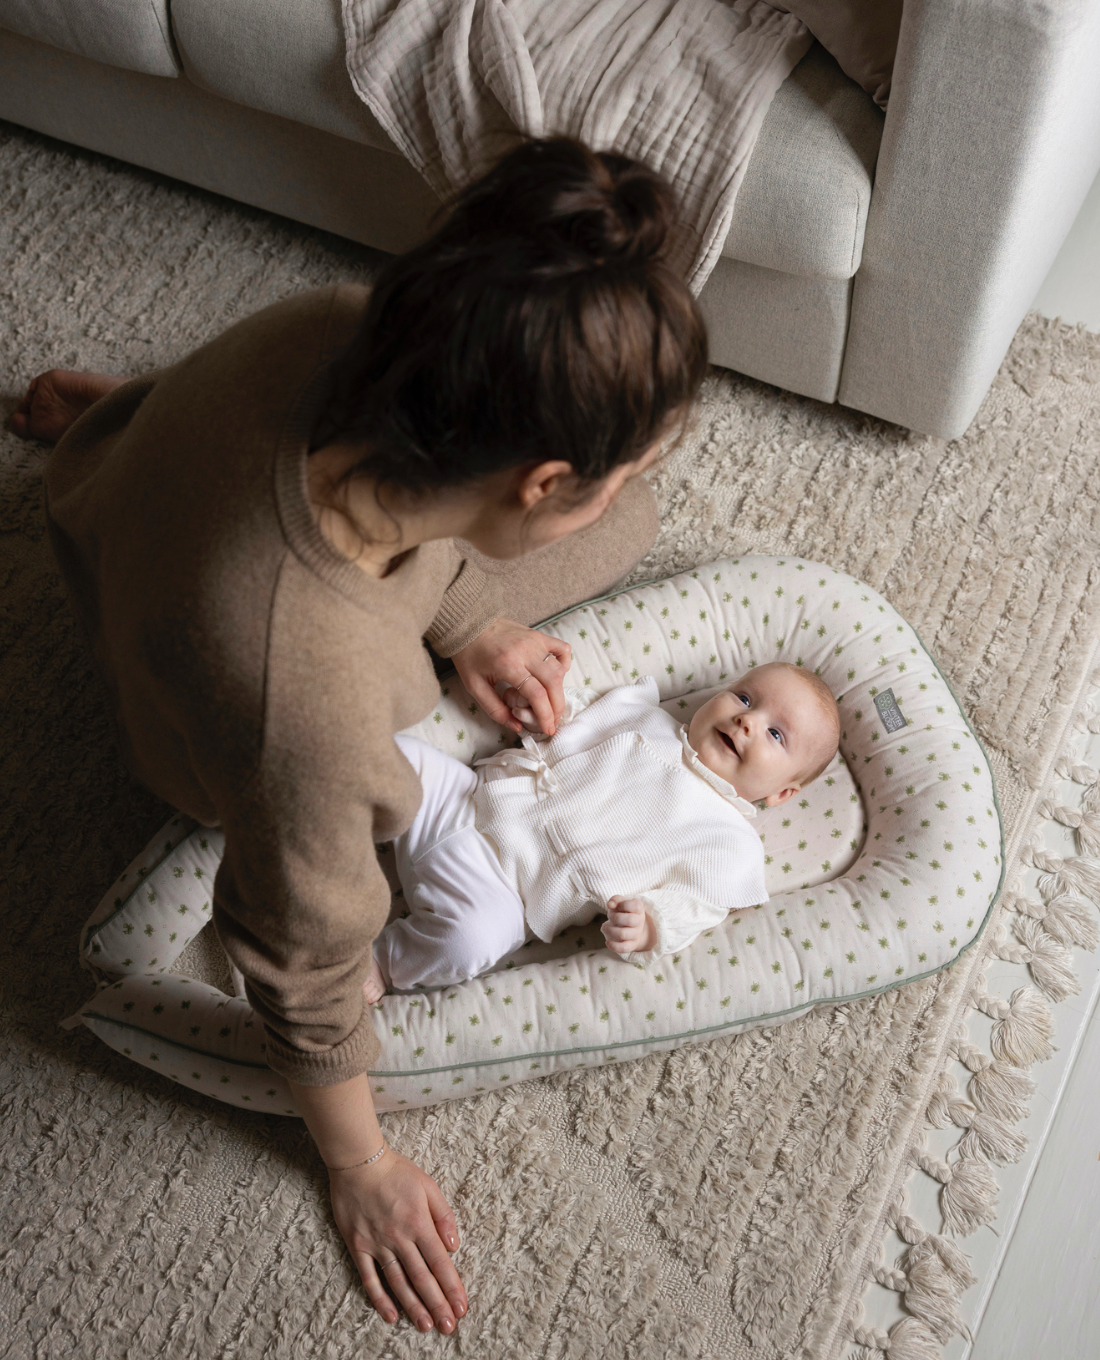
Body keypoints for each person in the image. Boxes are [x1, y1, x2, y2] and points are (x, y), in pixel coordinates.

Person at [12, 138, 708, 1335]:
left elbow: (422, 518)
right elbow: (299, 947)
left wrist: (470, 620)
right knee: (632, 527)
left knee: (587, 522)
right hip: (210, 718)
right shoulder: (310, 702)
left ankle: (124, 430)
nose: (608, 488)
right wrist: (360, 1161)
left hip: (130, 483)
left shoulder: (339, 319)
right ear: (539, 481)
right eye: (598, 475)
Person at [366, 662, 841, 997]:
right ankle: (330, 810)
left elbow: (695, 907)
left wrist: (652, 924)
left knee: (470, 940)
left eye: (775, 734)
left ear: (782, 793)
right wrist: (540, 713)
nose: (747, 720)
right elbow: (571, 714)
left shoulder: (727, 842)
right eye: (745, 697)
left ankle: (384, 964)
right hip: (466, 800)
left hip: (505, 893)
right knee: (397, 757)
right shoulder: (642, 714)